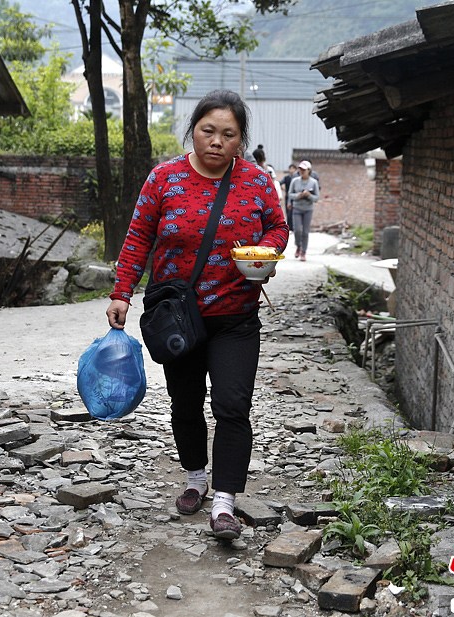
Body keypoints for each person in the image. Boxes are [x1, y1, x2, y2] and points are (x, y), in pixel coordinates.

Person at [105, 89, 289, 541]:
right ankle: (194, 477)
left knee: (232, 405)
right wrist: (121, 293)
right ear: (194, 131)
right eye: (209, 131)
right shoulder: (163, 179)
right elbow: (138, 238)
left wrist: (268, 251)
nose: (216, 141)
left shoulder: (257, 182)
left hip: (235, 316)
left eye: (229, 134)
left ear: (240, 140)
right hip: (178, 319)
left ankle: (224, 502)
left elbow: (278, 227)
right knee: (185, 405)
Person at [288, 160, 320, 261]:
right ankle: (298, 246)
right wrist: (299, 195)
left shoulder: (313, 182)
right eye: (300, 169)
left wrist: (309, 195)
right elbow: (290, 194)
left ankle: (303, 252)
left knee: (305, 232)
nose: (302, 171)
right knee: (297, 230)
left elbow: (316, 198)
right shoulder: (295, 181)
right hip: (297, 208)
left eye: (304, 170)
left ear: (309, 170)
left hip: (308, 209)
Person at [280, 163, 297, 232]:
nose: (291, 170)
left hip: (295, 197)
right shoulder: (287, 178)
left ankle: (293, 227)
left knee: (294, 212)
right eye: (290, 168)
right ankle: (290, 227)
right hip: (288, 196)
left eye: (292, 168)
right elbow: (279, 183)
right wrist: (283, 189)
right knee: (288, 212)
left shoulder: (297, 178)